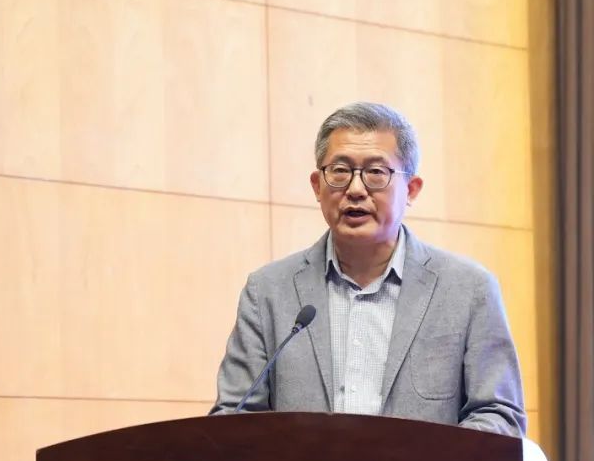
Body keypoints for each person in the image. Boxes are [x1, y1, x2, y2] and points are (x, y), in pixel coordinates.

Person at [210, 102, 526, 436]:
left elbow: (499, 416)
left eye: (376, 172)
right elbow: (233, 418)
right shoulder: (268, 292)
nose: (356, 189)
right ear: (317, 185)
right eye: (340, 171)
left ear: (411, 190)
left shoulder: (468, 290)